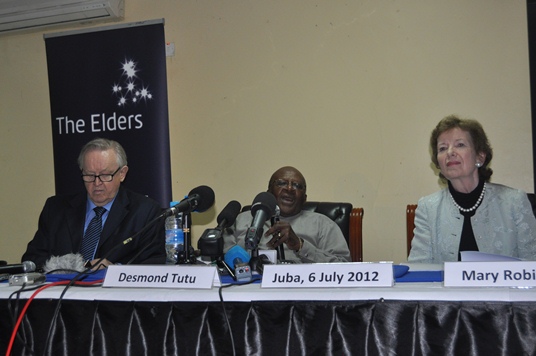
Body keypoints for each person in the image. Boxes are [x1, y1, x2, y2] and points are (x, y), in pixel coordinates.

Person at [22, 138, 166, 270]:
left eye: (105, 175)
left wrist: (115, 269)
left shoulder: (145, 212)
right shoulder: (56, 209)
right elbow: (32, 261)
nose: (97, 183)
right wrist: (75, 267)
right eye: (89, 175)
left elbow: (154, 263)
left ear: (122, 173)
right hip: (63, 295)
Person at [408, 115, 536, 263]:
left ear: (480, 157)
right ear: (438, 163)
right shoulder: (428, 208)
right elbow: (418, 267)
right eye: (442, 148)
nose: (450, 152)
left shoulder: (514, 201)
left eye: (460, 145)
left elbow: (532, 263)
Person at [224, 166, 351, 263]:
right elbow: (218, 260)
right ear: (268, 191)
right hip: (246, 290)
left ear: (304, 198)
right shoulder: (241, 220)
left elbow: (344, 267)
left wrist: (301, 246)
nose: (289, 188)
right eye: (281, 183)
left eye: (297, 185)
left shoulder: (323, 225)